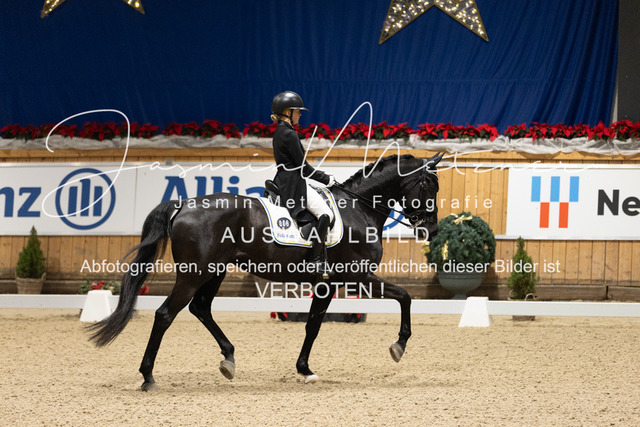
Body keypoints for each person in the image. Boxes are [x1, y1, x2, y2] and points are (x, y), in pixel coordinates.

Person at [270, 91, 335, 279]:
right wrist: (326, 179)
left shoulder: (279, 131)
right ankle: (315, 260)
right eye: (297, 111)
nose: (300, 115)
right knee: (326, 214)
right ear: (288, 112)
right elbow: (304, 168)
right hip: (293, 184)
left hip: (283, 180)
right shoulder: (289, 134)